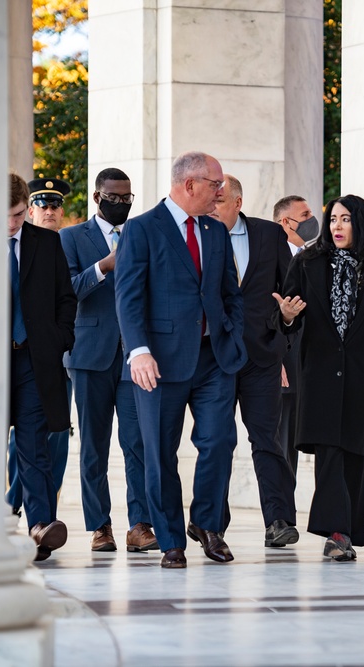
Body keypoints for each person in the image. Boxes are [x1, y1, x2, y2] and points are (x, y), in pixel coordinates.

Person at [114, 151, 247, 569]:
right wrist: (138, 351)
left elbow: (230, 293)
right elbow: (128, 296)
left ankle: (207, 525)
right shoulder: (141, 229)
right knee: (159, 453)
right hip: (158, 362)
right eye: (215, 185)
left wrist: (232, 332)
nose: (220, 193)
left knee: (219, 443)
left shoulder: (215, 231)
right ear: (189, 185)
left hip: (214, 359)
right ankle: (171, 539)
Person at [273, 194, 364, 562]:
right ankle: (338, 533)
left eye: (346, 219)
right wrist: (288, 316)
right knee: (330, 452)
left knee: (355, 454)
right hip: (318, 370)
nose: (336, 226)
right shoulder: (308, 263)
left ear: (362, 224)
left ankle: (346, 529)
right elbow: (283, 318)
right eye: (333, 219)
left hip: (360, 373)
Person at [59, 168, 157, 553]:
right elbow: (67, 292)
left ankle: (140, 524)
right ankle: (100, 526)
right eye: (114, 198)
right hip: (89, 355)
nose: (121, 204)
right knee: (94, 446)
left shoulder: (143, 233)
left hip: (134, 357)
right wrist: (104, 266)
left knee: (138, 443)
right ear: (97, 198)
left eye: (127, 198)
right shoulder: (70, 237)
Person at [210, 175, 299, 548]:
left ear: (237, 202)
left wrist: (287, 322)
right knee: (216, 440)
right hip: (213, 357)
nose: (211, 208)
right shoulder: (197, 236)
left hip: (262, 355)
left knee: (266, 439)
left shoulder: (269, 235)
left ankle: (279, 520)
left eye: (219, 201)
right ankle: (213, 523)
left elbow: (290, 293)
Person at [6, 173, 77, 561]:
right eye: (7, 216)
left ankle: (41, 527)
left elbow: (66, 298)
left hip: (36, 360)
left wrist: (60, 338)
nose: (13, 224)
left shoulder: (47, 242)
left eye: (18, 215)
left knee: (35, 445)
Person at [272, 195, 319, 475]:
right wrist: (273, 357)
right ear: (285, 222)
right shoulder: (267, 257)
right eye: (305, 215)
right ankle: (282, 513)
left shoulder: (315, 258)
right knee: (282, 443)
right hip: (284, 364)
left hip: (313, 365)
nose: (312, 220)